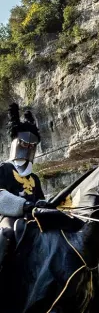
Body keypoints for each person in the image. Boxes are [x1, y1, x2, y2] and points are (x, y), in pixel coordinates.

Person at [0, 103, 46, 270]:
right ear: (15, 142)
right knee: (7, 233)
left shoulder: (34, 178)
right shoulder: (3, 169)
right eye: (24, 144)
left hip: (34, 218)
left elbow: (40, 199)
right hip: (7, 217)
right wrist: (22, 205)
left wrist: (42, 204)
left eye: (32, 146)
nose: (28, 148)